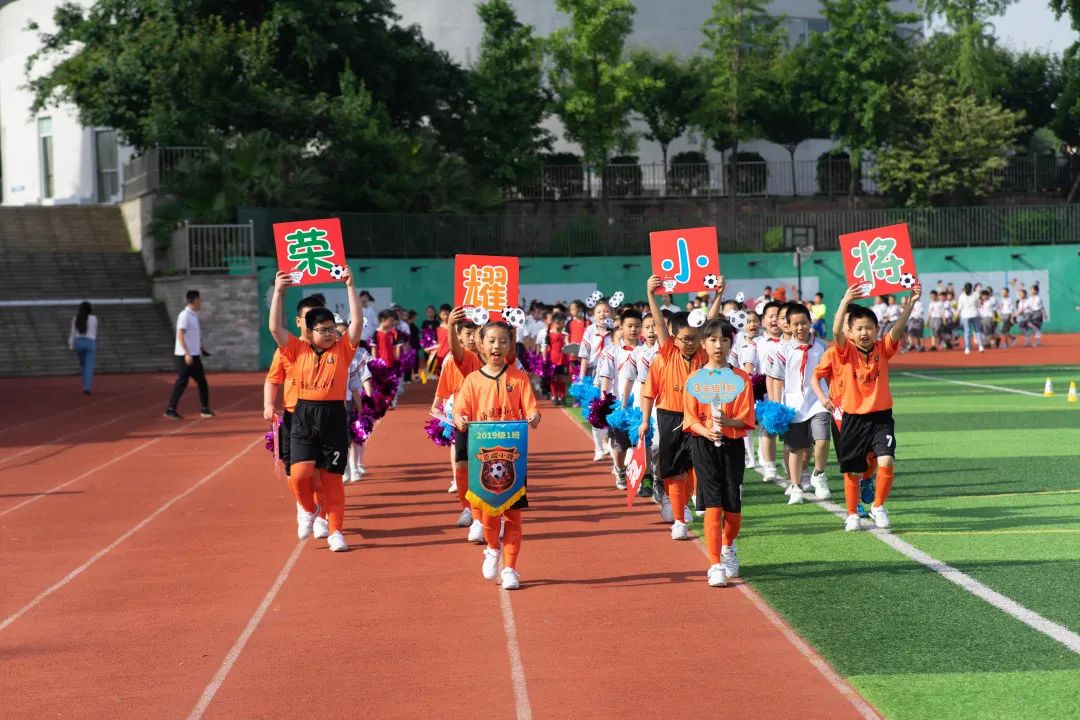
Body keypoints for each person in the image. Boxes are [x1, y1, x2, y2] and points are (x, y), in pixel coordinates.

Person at [268, 269, 363, 553]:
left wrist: (350, 285)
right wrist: (278, 291)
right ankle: (309, 508)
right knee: (299, 474)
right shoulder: (296, 350)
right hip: (303, 416)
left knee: (333, 479)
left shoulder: (343, 349)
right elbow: (275, 328)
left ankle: (336, 531)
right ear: (309, 331)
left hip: (333, 416)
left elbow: (357, 321)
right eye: (323, 330)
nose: (330, 334)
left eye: (333, 329)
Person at [453, 322, 541, 591]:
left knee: (513, 515)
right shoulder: (472, 381)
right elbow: (459, 413)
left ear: (510, 344)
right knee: (490, 514)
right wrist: (460, 419)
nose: (496, 346)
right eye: (491, 341)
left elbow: (532, 411)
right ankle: (492, 548)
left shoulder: (519, 378)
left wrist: (534, 416)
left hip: (513, 458)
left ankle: (511, 568)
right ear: (480, 345)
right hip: (484, 459)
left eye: (503, 341)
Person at [830, 281, 921, 532]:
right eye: (859, 328)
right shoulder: (845, 351)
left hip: (881, 418)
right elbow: (836, 330)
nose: (864, 332)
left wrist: (910, 304)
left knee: (886, 461)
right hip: (853, 419)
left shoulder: (883, 348)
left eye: (869, 327)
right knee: (852, 471)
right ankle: (851, 514)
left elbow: (899, 330)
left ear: (876, 329)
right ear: (851, 331)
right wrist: (844, 301)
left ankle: (878, 506)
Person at [643, 274, 724, 540]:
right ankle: (678, 519)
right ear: (674, 338)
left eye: (694, 338)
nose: (690, 342)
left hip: (699, 417)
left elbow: (711, 322)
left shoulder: (703, 353)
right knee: (674, 469)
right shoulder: (667, 352)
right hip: (670, 416)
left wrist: (718, 295)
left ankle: (685, 505)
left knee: (695, 466)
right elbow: (657, 323)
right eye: (685, 338)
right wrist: (651, 296)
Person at [682, 317, 756, 587]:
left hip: (732, 446)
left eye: (724, 340)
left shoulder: (741, 379)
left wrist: (726, 423)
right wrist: (706, 430)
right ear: (703, 343)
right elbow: (690, 419)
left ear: (730, 343)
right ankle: (715, 564)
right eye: (712, 340)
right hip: (703, 445)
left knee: (733, 511)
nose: (718, 345)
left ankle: (728, 545)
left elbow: (747, 419)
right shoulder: (695, 379)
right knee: (713, 503)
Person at [264, 293, 332, 540]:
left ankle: (322, 517)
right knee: (295, 475)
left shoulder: (330, 347)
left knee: (320, 473)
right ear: (298, 321)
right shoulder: (287, 349)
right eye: (308, 317)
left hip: (324, 416)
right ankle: (306, 509)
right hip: (294, 417)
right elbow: (273, 379)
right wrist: (268, 405)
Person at [767, 304, 831, 504]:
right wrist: (776, 404)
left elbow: (830, 374)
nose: (800, 327)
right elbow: (776, 378)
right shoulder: (783, 349)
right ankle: (795, 486)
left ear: (811, 322)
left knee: (821, 440)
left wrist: (832, 397)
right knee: (795, 448)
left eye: (804, 323)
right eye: (795, 324)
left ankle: (819, 474)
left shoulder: (822, 346)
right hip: (793, 405)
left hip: (819, 401)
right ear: (788, 325)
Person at [597, 308, 643, 492]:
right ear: (621, 327)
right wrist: (604, 396)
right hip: (619, 405)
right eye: (629, 326)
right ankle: (620, 469)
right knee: (619, 443)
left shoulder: (645, 350)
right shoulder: (612, 352)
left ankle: (641, 476)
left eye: (637, 326)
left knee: (641, 443)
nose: (633, 329)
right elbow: (607, 376)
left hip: (641, 404)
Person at [165, 290, 213, 420]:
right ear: (195, 300)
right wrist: (187, 353)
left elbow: (192, 336)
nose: (201, 303)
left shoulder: (193, 315)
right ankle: (170, 409)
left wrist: (201, 348)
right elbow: (180, 335)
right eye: (200, 300)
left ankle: (204, 408)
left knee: (202, 382)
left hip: (194, 355)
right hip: (185, 356)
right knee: (182, 382)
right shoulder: (184, 315)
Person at [578, 298, 613, 461]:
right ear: (593, 314)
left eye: (606, 311)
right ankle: (598, 447)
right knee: (594, 411)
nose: (602, 314)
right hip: (594, 374)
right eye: (599, 311)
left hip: (612, 375)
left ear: (611, 313)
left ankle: (607, 442)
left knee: (610, 409)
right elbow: (585, 356)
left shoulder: (615, 330)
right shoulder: (590, 331)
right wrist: (581, 378)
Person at [68, 301, 98, 395]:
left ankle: (85, 383)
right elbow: (95, 331)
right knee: (89, 365)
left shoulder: (76, 318)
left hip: (78, 342)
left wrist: (71, 344)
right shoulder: (93, 318)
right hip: (90, 342)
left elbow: (72, 332)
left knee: (82, 364)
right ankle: (87, 387)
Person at [548, 312, 570, 405]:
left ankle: (562, 396)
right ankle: (554, 396)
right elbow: (546, 347)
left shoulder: (565, 335)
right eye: (558, 322)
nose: (561, 323)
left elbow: (568, 345)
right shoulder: (549, 335)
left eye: (562, 322)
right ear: (554, 322)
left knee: (562, 379)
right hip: (553, 360)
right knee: (553, 378)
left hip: (563, 360)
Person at [956, 282, 983, 354]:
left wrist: (956, 315)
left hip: (966, 316)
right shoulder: (975, 295)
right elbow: (978, 305)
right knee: (977, 330)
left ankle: (967, 348)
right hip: (974, 314)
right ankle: (980, 346)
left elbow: (959, 307)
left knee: (967, 331)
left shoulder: (962, 296)